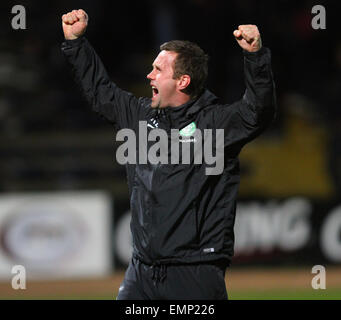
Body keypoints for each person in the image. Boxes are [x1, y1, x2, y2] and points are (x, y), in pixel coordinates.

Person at [61, 9, 276, 300]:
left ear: (183, 81)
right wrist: (76, 44)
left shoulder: (216, 124)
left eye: (158, 70)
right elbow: (100, 91)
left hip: (195, 272)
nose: (149, 74)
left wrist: (255, 57)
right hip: (141, 271)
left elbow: (258, 111)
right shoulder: (140, 116)